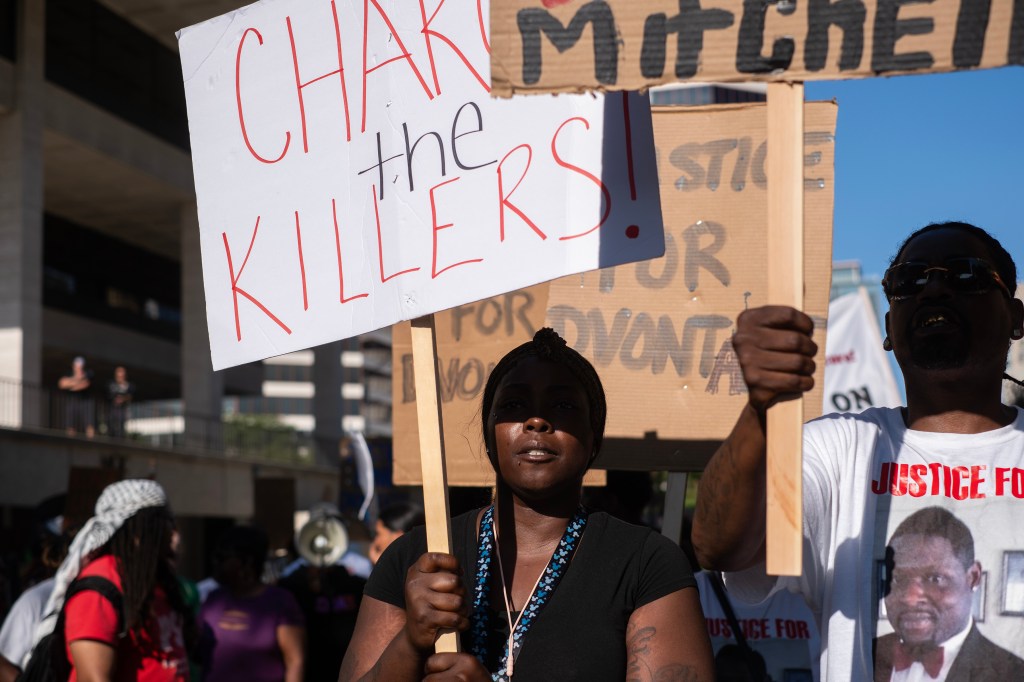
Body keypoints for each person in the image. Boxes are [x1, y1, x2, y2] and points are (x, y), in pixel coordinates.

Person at [691, 221, 1024, 680]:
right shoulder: (837, 447)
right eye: (909, 282)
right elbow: (717, 546)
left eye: (965, 275)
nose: (934, 289)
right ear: (889, 328)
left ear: (1016, 317)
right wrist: (759, 409)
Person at [340, 328, 714, 681]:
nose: (536, 420)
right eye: (514, 405)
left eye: (563, 405)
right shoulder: (415, 557)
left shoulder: (646, 563)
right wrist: (410, 642)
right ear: (489, 434)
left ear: (594, 439)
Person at [30, 479, 192, 680]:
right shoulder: (99, 588)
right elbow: (92, 678)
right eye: (167, 521)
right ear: (138, 530)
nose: (174, 533)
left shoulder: (153, 582)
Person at [874, 507, 1024, 681]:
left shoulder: (1013, 675)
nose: (911, 598)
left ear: (973, 578)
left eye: (935, 578)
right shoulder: (862, 654)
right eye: (898, 579)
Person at [200, 525, 305, 682]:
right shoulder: (213, 599)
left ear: (247, 561)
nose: (216, 563)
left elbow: (295, 661)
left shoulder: (280, 602)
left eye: (223, 557)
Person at [58, 356, 94, 437]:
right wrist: (77, 380)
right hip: (72, 400)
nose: (78, 368)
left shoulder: (89, 373)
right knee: (70, 424)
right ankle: (70, 442)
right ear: (73, 366)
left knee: (89, 424)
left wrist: (70, 383)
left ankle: (91, 443)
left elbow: (84, 385)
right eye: (76, 366)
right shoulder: (68, 373)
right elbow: (61, 384)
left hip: (85, 401)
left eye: (80, 367)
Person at [107, 366, 135, 438]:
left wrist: (123, 399)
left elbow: (130, 396)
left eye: (121, 375)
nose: (120, 377)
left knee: (120, 427)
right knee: (111, 426)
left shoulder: (128, 386)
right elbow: (109, 395)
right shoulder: (112, 384)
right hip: (112, 409)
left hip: (122, 410)